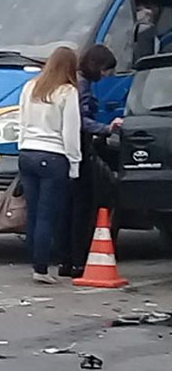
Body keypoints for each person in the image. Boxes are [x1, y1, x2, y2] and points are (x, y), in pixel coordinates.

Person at [18, 46, 82, 284]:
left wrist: (22, 147)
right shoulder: (67, 92)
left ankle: (34, 260)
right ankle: (42, 267)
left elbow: (21, 122)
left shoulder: (30, 88)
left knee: (33, 213)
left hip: (27, 153)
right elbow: (70, 132)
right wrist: (74, 164)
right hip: (54, 156)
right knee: (47, 215)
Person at [60, 44, 122, 277]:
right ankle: (77, 259)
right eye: (107, 70)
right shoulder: (82, 86)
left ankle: (66, 259)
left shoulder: (70, 83)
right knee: (82, 206)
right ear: (97, 65)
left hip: (65, 151)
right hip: (80, 150)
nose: (108, 75)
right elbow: (81, 120)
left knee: (68, 207)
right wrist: (107, 128)